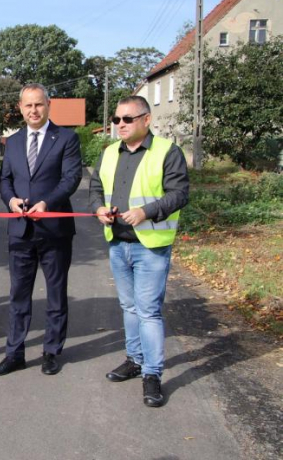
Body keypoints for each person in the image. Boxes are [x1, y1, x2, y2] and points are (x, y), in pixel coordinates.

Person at [88, 96, 189, 408]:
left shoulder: (167, 152)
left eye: (127, 119)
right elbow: (94, 189)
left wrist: (146, 212)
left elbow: (180, 194)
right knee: (129, 308)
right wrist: (99, 209)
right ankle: (133, 360)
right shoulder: (108, 153)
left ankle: (152, 374)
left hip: (151, 247)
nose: (120, 124)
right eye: (117, 119)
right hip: (118, 243)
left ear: (146, 120)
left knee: (148, 311)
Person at [0, 83, 82, 377]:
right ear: (20, 108)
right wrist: (11, 200)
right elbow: (5, 179)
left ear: (48, 105)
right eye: (28, 105)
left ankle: (52, 351)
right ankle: (14, 353)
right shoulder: (14, 141)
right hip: (20, 231)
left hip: (54, 230)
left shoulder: (66, 137)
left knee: (56, 295)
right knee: (18, 296)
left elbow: (71, 178)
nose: (33, 110)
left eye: (39, 104)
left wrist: (47, 202)